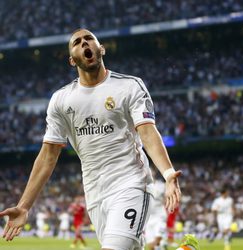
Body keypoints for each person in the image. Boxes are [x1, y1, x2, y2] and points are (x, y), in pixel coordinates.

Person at [0, 29, 197, 250]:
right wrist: (24, 206)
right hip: (94, 194)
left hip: (131, 184)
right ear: (72, 59)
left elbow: (148, 132)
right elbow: (48, 155)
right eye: (77, 42)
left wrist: (168, 174)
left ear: (100, 49)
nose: (84, 43)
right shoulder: (61, 100)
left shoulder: (130, 86)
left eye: (89, 39)